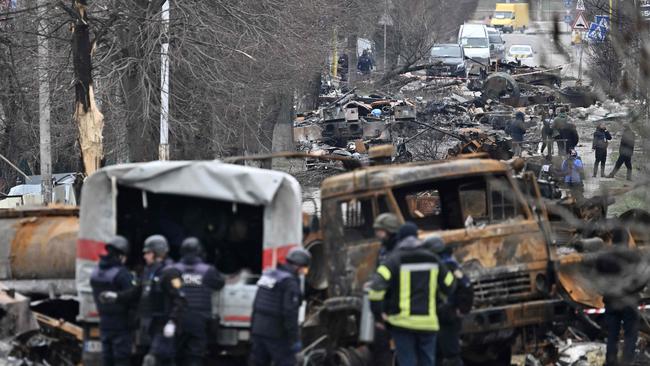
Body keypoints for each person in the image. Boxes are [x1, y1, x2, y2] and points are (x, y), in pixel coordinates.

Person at [368, 223, 455, 366]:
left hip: (402, 324)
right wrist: (439, 301)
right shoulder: (433, 259)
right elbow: (450, 285)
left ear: (400, 238)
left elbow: (376, 288)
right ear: (417, 237)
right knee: (427, 361)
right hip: (428, 323)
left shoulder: (393, 260)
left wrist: (379, 315)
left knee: (407, 362)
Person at [99, 235, 175, 364]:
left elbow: (179, 299)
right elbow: (135, 292)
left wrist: (173, 321)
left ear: (158, 253)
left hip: (162, 326)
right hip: (148, 325)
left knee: (152, 360)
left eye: (148, 253)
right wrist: (117, 296)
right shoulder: (148, 271)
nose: (145, 256)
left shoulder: (170, 272)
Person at [250, 247, 312, 366]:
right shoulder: (290, 282)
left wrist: (252, 329)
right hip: (276, 333)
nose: (304, 273)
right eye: (304, 269)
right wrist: (294, 340)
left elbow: (256, 305)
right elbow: (290, 313)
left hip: (258, 330)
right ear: (298, 266)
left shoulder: (268, 275)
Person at [172, 237, 225, 366]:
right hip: (199, 319)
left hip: (178, 318)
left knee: (176, 354)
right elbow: (219, 283)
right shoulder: (207, 270)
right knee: (195, 356)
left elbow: (169, 287)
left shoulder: (174, 269)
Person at [424, 235, 474, 366]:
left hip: (446, 317)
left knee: (450, 356)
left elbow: (466, 287)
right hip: (441, 316)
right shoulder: (444, 263)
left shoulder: (448, 265)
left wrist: (459, 310)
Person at [90, 236, 136, 366]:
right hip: (121, 326)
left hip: (104, 324)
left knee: (107, 360)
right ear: (121, 255)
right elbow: (132, 296)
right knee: (122, 360)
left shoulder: (96, 272)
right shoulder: (122, 274)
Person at [596, 252, 646, 365]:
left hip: (611, 302)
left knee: (612, 334)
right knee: (631, 334)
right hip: (629, 302)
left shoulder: (605, 258)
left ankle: (610, 361)